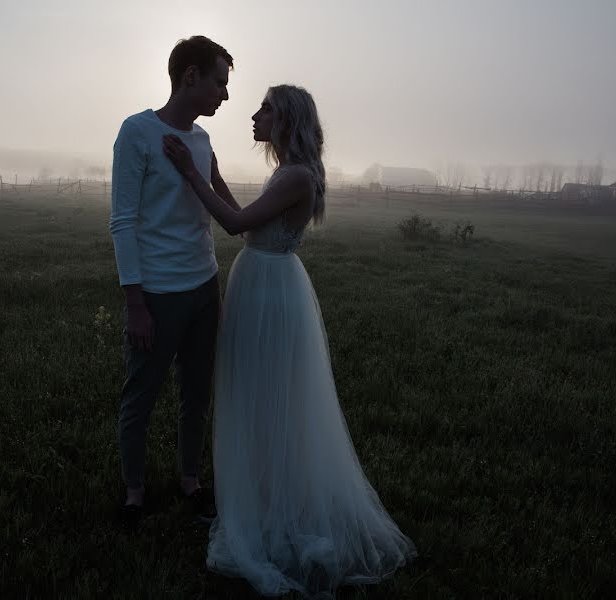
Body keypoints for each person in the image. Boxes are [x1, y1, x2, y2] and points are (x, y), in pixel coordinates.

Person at [162, 85, 416, 597]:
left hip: (271, 290)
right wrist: (211, 175)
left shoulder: (297, 175)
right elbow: (251, 222)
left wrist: (191, 174)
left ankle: (270, 508)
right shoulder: (288, 174)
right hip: (265, 279)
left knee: (267, 396)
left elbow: (233, 225)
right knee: (259, 394)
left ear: (287, 119)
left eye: (266, 109)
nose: (254, 116)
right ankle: (260, 495)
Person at [109, 35, 236, 526]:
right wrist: (134, 302)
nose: (224, 96)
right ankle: (135, 494)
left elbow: (221, 205)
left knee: (197, 391)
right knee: (141, 393)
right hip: (157, 295)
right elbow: (123, 221)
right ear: (190, 76)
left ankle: (190, 482)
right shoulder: (136, 133)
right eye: (219, 83)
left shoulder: (202, 141)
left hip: (204, 287)